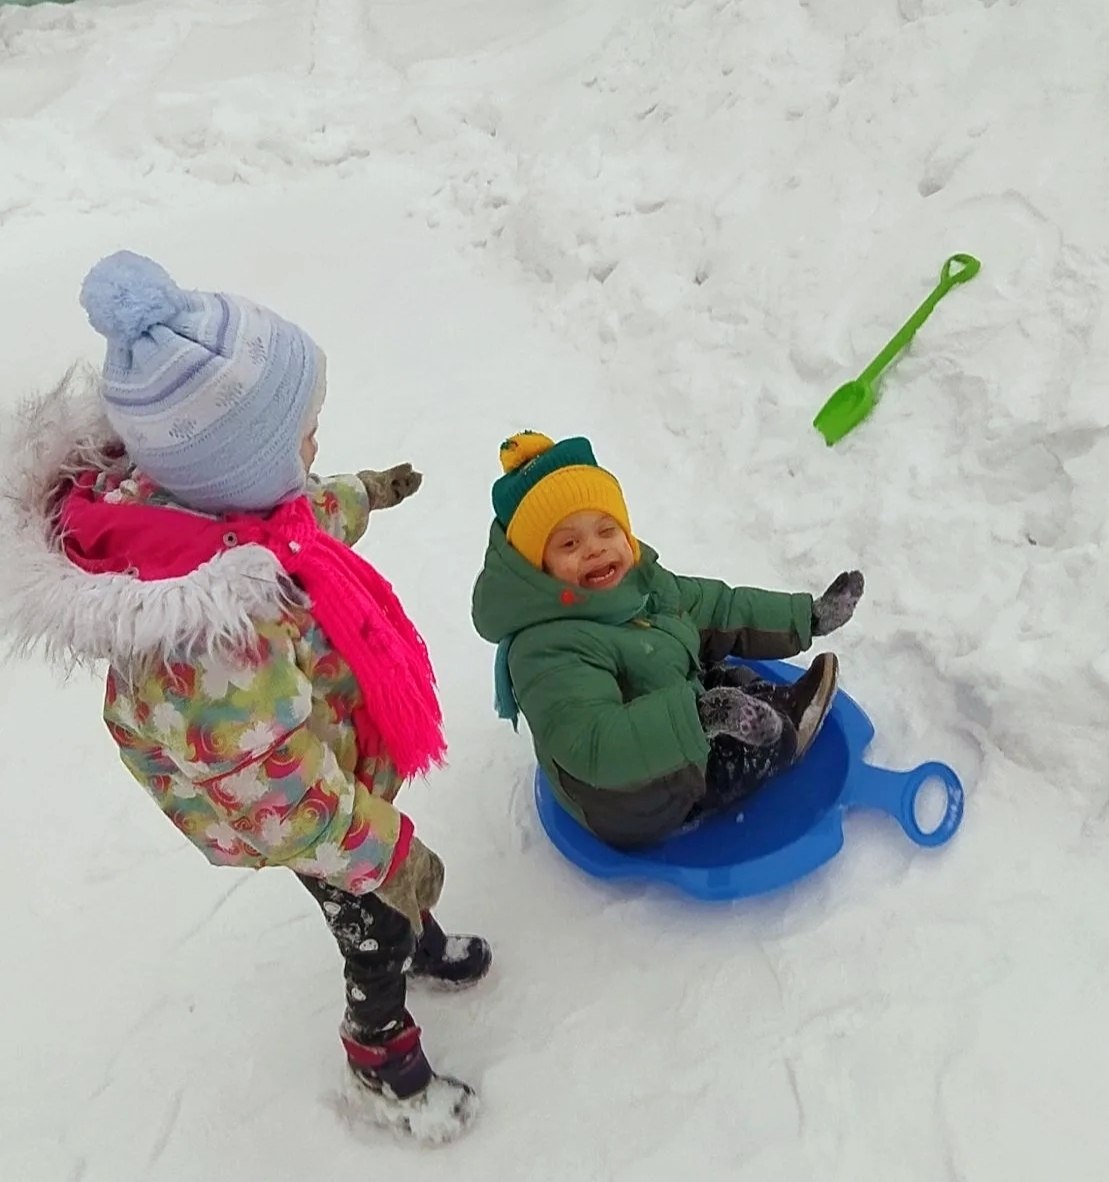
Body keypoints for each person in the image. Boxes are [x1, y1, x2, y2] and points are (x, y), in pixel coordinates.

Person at [0, 251, 486, 1145]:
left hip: (329, 752)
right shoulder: (208, 648)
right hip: (298, 807)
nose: (313, 449)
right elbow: (280, 799)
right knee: (368, 922)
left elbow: (298, 523)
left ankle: (410, 926)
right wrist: (386, 852)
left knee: (387, 886)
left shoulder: (226, 510)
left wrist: (365, 493)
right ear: (234, 463)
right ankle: (383, 1058)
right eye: (302, 433)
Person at [472, 431, 864, 847]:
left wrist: (806, 617)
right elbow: (597, 744)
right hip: (626, 798)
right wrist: (700, 717)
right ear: (539, 568)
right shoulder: (545, 650)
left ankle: (762, 701)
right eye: (569, 543)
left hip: (661, 707)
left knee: (713, 670)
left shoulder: (640, 584)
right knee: (724, 753)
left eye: (607, 530)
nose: (595, 549)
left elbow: (718, 608)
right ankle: (784, 740)